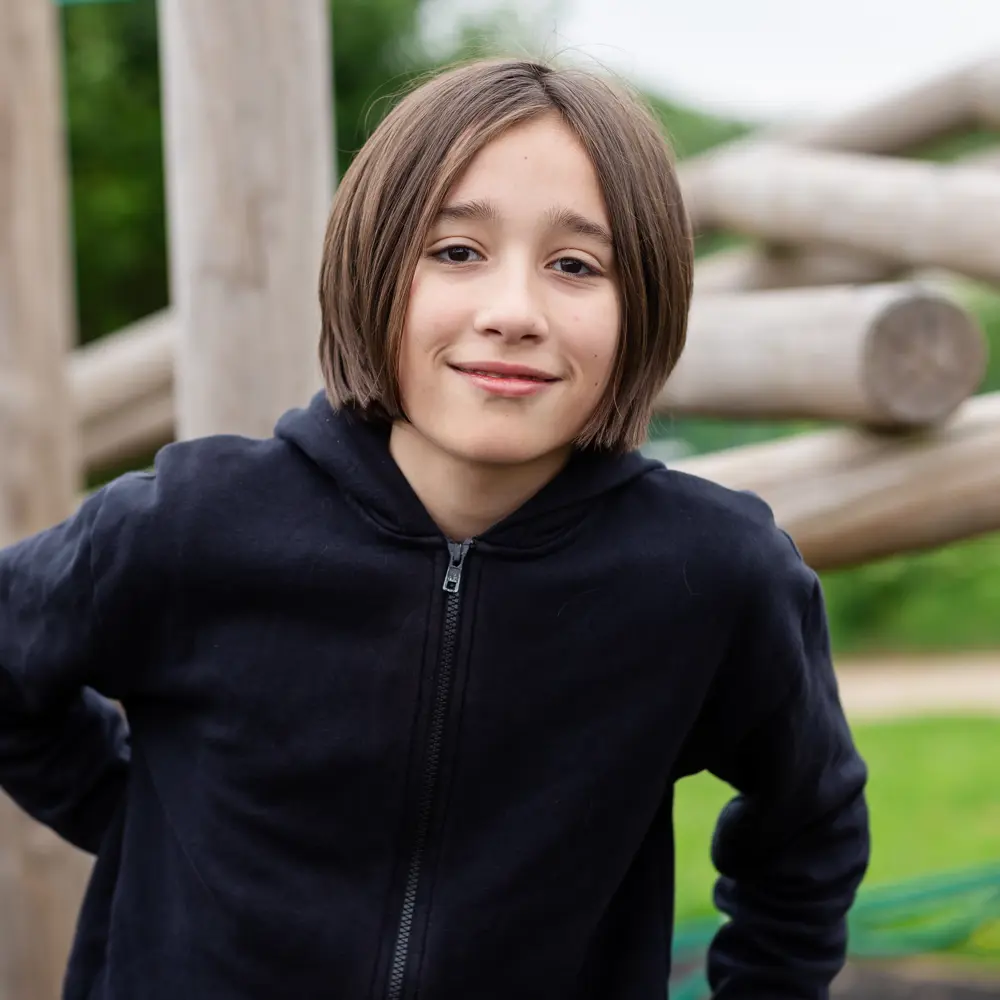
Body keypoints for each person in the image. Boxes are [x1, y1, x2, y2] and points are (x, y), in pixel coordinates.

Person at [0, 58, 869, 1000]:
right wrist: (138, 820)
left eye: (576, 266)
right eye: (456, 252)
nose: (513, 314)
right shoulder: (192, 524)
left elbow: (810, 826)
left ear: (645, 304)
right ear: (374, 270)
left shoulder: (713, 576)